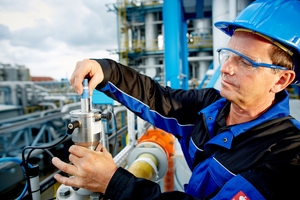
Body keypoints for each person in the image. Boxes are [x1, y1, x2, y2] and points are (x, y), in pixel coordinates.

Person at [52, 0, 300, 199]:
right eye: (228, 55)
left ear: (281, 80)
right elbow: (158, 98)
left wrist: (113, 182)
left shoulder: (287, 157)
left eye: (245, 61)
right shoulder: (210, 107)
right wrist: (106, 71)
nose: (226, 69)